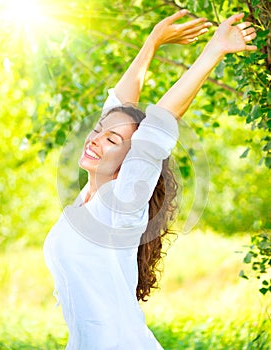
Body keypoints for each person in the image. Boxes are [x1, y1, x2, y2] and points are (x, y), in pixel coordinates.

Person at [43, 10, 256, 350]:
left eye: (112, 141)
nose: (96, 139)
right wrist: (152, 42)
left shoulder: (123, 201)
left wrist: (213, 51)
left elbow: (158, 125)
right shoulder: (88, 198)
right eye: (98, 132)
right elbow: (118, 108)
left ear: (129, 163)